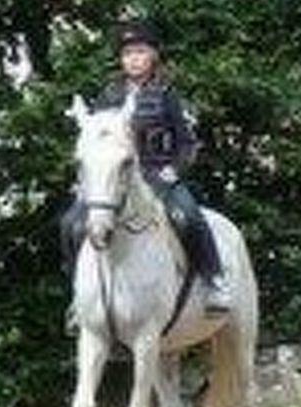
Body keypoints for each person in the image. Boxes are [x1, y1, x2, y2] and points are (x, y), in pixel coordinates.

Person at [61, 16, 232, 313]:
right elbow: (95, 141)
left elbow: (187, 143)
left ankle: (213, 281)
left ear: (153, 56)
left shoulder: (166, 95)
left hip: (157, 175)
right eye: (128, 53)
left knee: (188, 216)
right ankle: (80, 296)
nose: (134, 59)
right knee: (71, 223)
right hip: (115, 180)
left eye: (140, 52)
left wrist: (173, 171)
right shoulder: (108, 96)